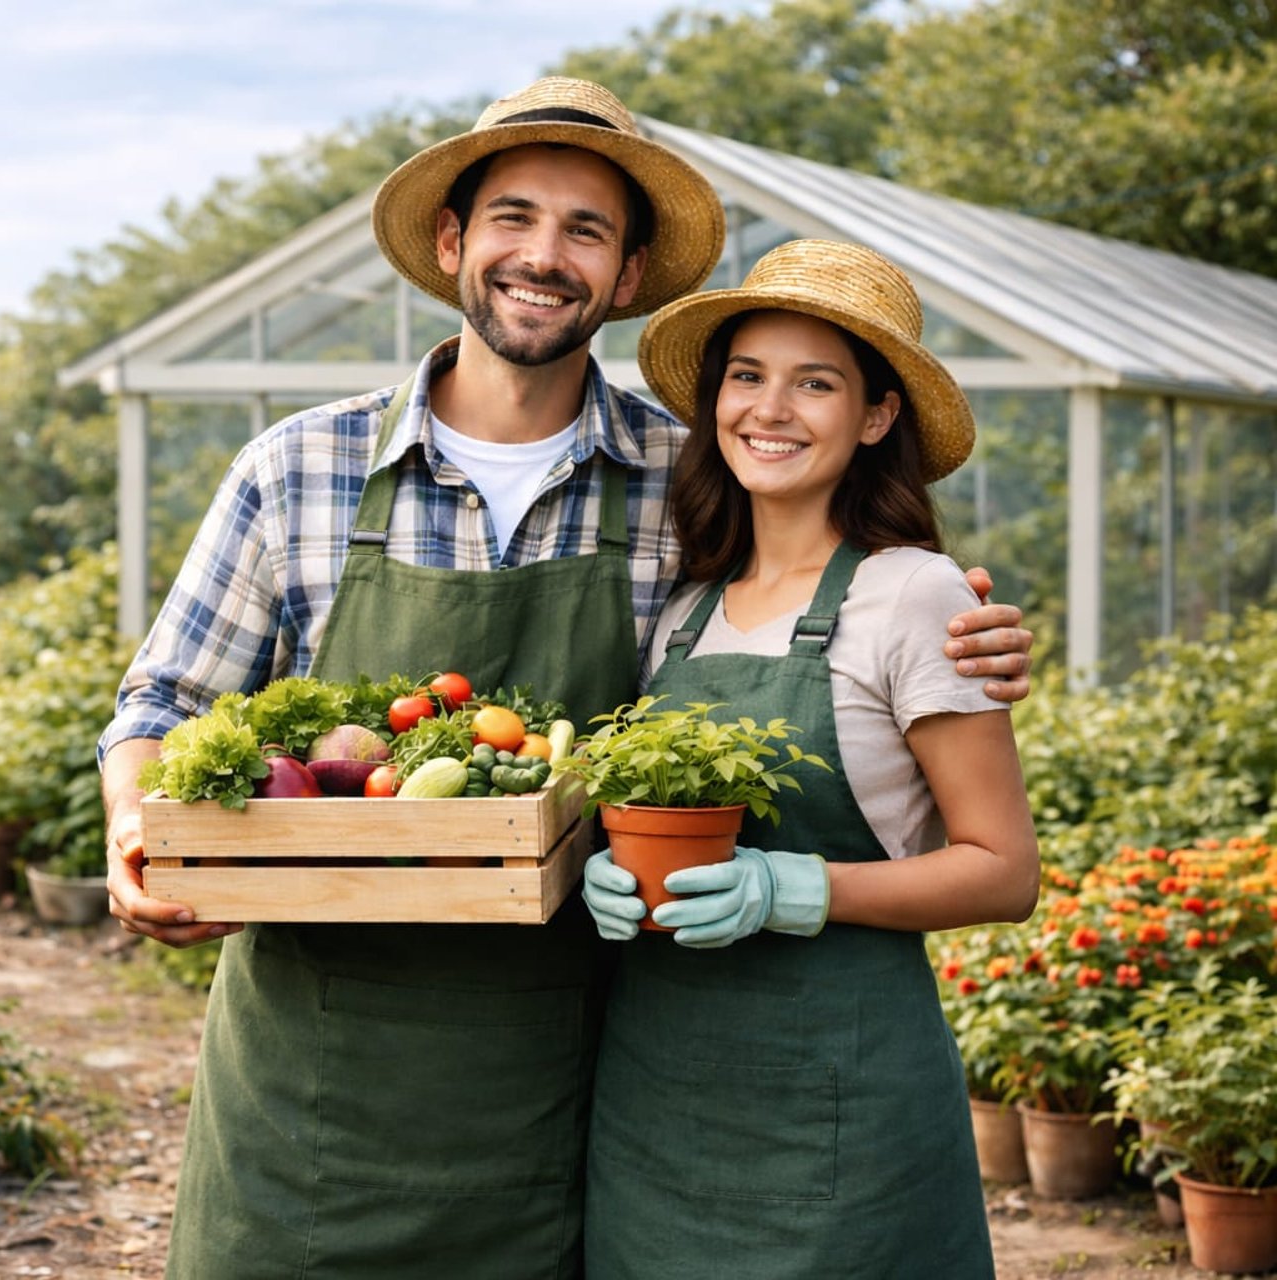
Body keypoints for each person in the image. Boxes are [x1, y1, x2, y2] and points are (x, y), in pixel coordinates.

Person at [99, 77, 1033, 1279]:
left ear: (630, 274)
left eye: (586, 229)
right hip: (317, 1077)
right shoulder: (299, 469)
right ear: (454, 242)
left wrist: (975, 634)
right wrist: (139, 829)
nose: (544, 256)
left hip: (568, 1078)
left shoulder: (681, 482)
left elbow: (838, 614)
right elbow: (162, 704)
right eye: (514, 217)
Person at [579, 239, 1042, 1278]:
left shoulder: (914, 595)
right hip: (655, 1107)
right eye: (747, 376)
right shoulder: (686, 612)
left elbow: (1004, 870)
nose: (769, 408)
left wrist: (791, 885)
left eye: (815, 383)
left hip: (840, 1110)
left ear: (876, 416)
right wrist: (603, 872)